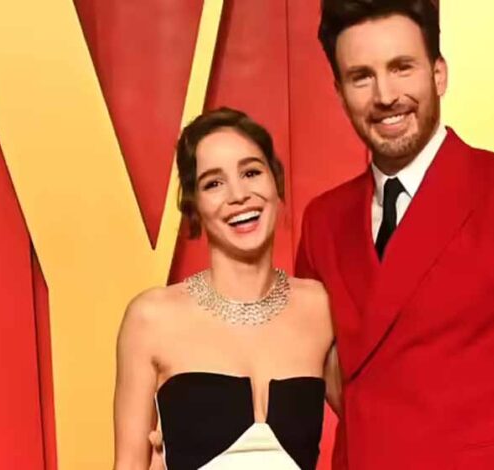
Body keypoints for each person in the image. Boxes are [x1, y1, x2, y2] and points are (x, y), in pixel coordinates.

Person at [293, 0, 494, 468]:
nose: (385, 95)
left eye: (401, 67)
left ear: (439, 74)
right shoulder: (323, 221)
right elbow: (309, 366)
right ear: (339, 92)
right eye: (361, 76)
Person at [114, 107, 340, 470]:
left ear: (276, 182)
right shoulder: (151, 319)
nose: (238, 195)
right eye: (213, 183)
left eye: (251, 172)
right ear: (194, 205)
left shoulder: (320, 308)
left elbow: (379, 424)